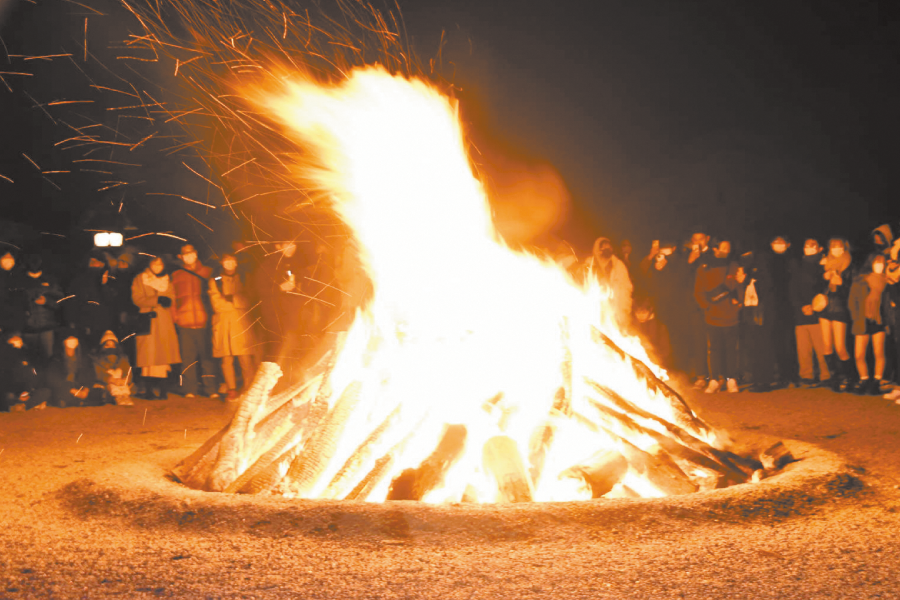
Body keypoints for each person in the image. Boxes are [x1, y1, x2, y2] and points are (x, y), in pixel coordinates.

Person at [209, 253, 260, 402]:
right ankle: (231, 389)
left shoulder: (244, 278)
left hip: (241, 323)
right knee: (227, 359)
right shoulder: (216, 280)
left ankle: (249, 386)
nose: (229, 264)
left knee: (245, 357)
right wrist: (236, 302)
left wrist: (232, 299)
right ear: (222, 263)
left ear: (236, 263)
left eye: (232, 261)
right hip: (223, 323)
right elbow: (216, 303)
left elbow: (249, 299)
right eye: (226, 261)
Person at [694, 239, 741, 393]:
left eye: (729, 247)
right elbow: (699, 290)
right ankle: (714, 380)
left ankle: (731, 379)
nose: (727, 250)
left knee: (731, 349)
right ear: (715, 248)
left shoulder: (733, 266)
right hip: (712, 315)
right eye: (724, 247)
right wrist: (706, 306)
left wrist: (737, 305)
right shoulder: (704, 267)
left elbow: (738, 285)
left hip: (730, 315)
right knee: (714, 349)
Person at [170, 244, 217, 397]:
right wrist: (175, 317)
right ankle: (189, 389)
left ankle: (210, 389)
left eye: (191, 253)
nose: (188, 256)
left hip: (205, 321)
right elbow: (172, 298)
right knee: (187, 359)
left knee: (207, 357)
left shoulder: (207, 272)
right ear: (181, 257)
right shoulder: (176, 275)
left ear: (196, 254)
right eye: (185, 254)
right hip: (184, 322)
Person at [132, 256, 181, 399]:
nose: (158, 267)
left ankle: (163, 391)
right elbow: (137, 298)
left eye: (160, 264)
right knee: (147, 356)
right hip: (147, 319)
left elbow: (172, 295)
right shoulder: (141, 278)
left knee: (164, 355)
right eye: (155, 264)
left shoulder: (166, 279)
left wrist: (169, 301)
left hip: (164, 320)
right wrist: (155, 300)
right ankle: (148, 390)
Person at [789, 239, 831, 386]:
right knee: (803, 349)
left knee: (821, 347)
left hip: (818, 312)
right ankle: (806, 375)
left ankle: (826, 375)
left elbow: (824, 287)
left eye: (812, 245)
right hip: (801, 314)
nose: (808, 247)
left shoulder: (824, 265)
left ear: (820, 248)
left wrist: (815, 306)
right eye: (806, 244)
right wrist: (801, 306)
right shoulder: (798, 265)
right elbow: (793, 288)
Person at [848, 253, 889, 395]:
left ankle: (877, 381)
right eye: (877, 262)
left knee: (879, 352)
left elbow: (887, 304)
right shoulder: (860, 280)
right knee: (859, 354)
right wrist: (856, 317)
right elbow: (852, 301)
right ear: (870, 263)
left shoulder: (887, 280)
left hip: (879, 321)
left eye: (883, 263)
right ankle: (864, 379)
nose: (880, 265)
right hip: (862, 320)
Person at [818, 238, 854, 391]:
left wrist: (842, 284)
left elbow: (853, 290)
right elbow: (816, 288)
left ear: (844, 248)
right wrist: (823, 278)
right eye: (833, 247)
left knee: (840, 346)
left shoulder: (849, 265)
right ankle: (835, 376)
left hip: (840, 308)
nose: (836, 249)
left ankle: (849, 377)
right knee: (827, 346)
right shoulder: (824, 264)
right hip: (825, 308)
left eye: (839, 247)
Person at [762, 236, 798, 387]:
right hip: (773, 307)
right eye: (775, 242)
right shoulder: (767, 260)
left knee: (790, 342)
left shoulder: (793, 261)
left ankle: (793, 376)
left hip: (790, 306)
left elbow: (795, 282)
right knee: (777, 343)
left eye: (781, 242)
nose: (778, 245)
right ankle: (782, 376)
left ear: (788, 244)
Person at [63, 252, 118, 347]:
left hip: (104, 325)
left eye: (99, 262)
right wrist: (72, 322)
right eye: (93, 261)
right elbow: (72, 302)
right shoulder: (79, 281)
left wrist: (104, 285)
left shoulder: (109, 279)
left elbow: (112, 301)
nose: (96, 264)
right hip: (83, 324)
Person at [47, 329, 105, 408]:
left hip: (80, 387)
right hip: (66, 388)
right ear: (64, 342)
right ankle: (77, 402)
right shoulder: (56, 359)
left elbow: (91, 375)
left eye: (74, 339)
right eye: (69, 339)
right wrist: (73, 391)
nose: (72, 341)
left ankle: (79, 401)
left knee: (98, 392)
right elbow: (53, 379)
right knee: (58, 393)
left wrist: (86, 390)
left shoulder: (84, 358)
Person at [20, 254, 63, 360]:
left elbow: (61, 302)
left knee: (48, 358)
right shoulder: (20, 282)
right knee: (29, 359)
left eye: (38, 271)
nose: (35, 274)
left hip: (47, 328)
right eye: (31, 272)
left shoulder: (51, 281)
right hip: (27, 329)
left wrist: (46, 301)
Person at [685, 230, 712, 388]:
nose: (698, 242)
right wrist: (690, 262)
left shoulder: (713, 255)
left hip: (712, 304)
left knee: (714, 340)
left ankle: (718, 375)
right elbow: (684, 280)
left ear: (707, 239)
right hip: (695, 306)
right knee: (698, 340)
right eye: (694, 239)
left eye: (701, 239)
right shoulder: (689, 257)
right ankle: (701, 375)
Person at [590, 236, 633, 331]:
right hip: (596, 309)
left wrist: (624, 310)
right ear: (598, 249)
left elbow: (626, 287)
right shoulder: (590, 265)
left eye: (609, 246)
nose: (607, 249)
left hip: (616, 309)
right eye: (604, 247)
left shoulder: (618, 266)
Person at [0, 330, 50, 412]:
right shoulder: (6, 356)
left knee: (46, 392)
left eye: (19, 339)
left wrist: (26, 391)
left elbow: (32, 374)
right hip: (12, 391)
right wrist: (18, 393)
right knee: (8, 397)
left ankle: (23, 406)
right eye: (14, 339)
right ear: (9, 341)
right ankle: (19, 406)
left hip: (26, 391)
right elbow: (7, 378)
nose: (18, 341)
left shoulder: (26, 354)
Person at [92, 330, 134, 406]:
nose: (110, 348)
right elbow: (98, 374)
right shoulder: (97, 359)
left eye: (113, 345)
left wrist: (125, 380)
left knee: (120, 376)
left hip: (121, 383)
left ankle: (124, 396)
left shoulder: (123, 358)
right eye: (107, 345)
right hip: (106, 384)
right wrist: (110, 379)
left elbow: (128, 372)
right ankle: (117, 397)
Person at [632, 298, 671, 369]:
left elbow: (666, 352)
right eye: (637, 312)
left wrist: (652, 348)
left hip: (656, 368)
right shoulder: (632, 326)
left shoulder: (660, 328)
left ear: (650, 310)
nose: (640, 316)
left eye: (643, 312)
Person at [0, 249, 25, 334]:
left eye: (10, 258)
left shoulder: (19, 276)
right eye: (5, 258)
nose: (8, 261)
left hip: (16, 322)